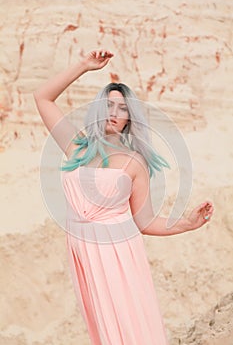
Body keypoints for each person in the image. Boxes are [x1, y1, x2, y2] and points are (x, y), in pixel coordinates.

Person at [33, 49, 214, 345]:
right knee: (103, 329)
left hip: (118, 253)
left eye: (121, 108)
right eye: (107, 105)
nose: (113, 113)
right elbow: (42, 97)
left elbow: (144, 221)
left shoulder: (134, 162)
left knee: (130, 325)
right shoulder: (78, 148)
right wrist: (83, 66)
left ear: (130, 118)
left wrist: (187, 223)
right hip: (85, 254)